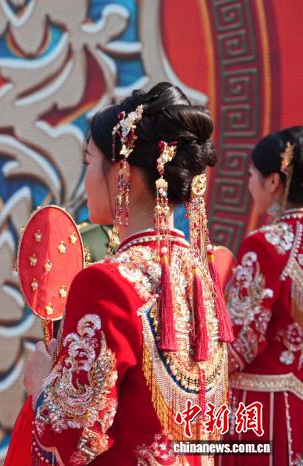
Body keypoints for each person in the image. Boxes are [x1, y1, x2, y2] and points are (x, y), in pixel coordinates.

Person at [19, 82, 233, 465]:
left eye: (88, 162)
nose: (85, 180)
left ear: (121, 174)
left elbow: (74, 437)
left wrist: (41, 385)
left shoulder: (105, 283)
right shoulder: (203, 276)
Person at [220, 127, 303, 465]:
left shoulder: (266, 244)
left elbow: (239, 343)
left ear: (272, 181)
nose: (249, 183)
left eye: (251, 174)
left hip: (262, 411)